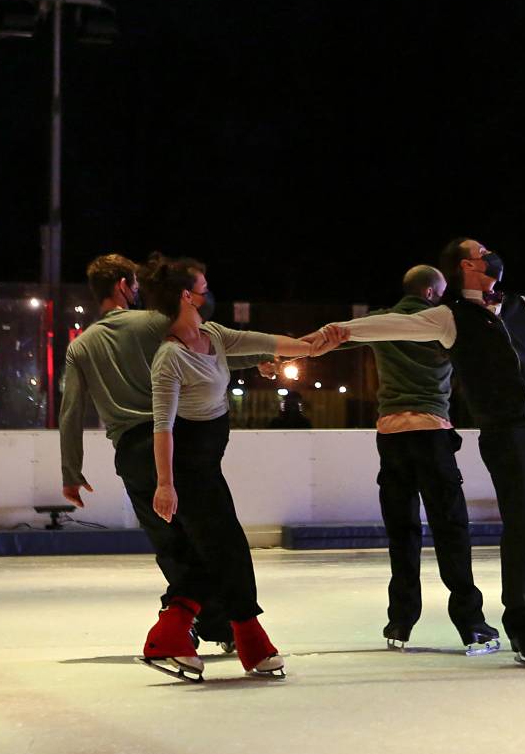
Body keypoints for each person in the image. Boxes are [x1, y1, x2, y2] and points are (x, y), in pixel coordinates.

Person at [319, 239, 525, 668]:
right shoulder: (448, 318)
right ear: (466, 266)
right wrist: (333, 333)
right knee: (523, 530)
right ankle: (521, 622)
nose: (492, 253)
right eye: (482, 250)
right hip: (503, 434)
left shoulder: (519, 306)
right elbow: (388, 326)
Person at [140, 253, 345, 680]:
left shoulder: (213, 336)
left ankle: (168, 633)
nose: (207, 291)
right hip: (188, 469)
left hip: (208, 464)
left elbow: (265, 342)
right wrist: (165, 484)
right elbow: (163, 427)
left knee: (206, 557)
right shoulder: (169, 358)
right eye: (202, 286)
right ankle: (250, 636)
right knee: (229, 550)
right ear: (186, 296)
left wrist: (310, 346)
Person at [58, 254, 249, 657]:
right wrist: (262, 357)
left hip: (129, 457)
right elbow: (204, 345)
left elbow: (70, 412)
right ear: (125, 286)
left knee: (172, 548)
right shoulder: (153, 322)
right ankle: (207, 625)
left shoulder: (81, 346)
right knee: (211, 540)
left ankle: (203, 626)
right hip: (173, 446)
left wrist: (71, 471)